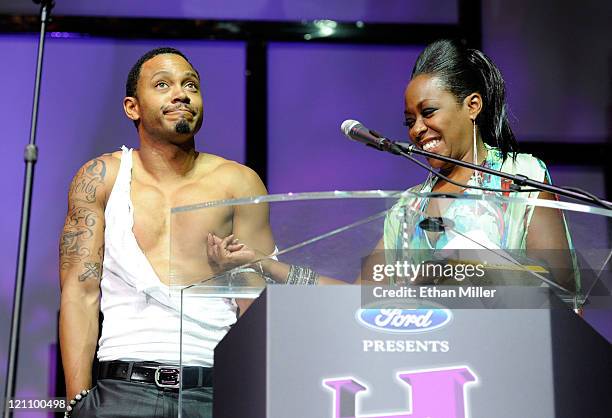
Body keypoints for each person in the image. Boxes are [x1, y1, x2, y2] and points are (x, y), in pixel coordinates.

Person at [209, 39, 578, 293]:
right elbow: (358, 297)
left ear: (473, 106)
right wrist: (266, 265)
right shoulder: (408, 209)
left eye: (428, 112)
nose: (417, 129)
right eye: (409, 120)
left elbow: (561, 283)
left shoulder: (520, 176)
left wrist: (466, 271)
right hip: (426, 368)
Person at [58, 47, 274, 418]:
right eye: (163, 84)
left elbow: (257, 304)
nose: (182, 94)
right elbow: (80, 292)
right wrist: (77, 403)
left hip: (214, 386)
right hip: (121, 388)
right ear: (132, 107)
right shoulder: (100, 177)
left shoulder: (239, 182)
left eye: (191, 85)